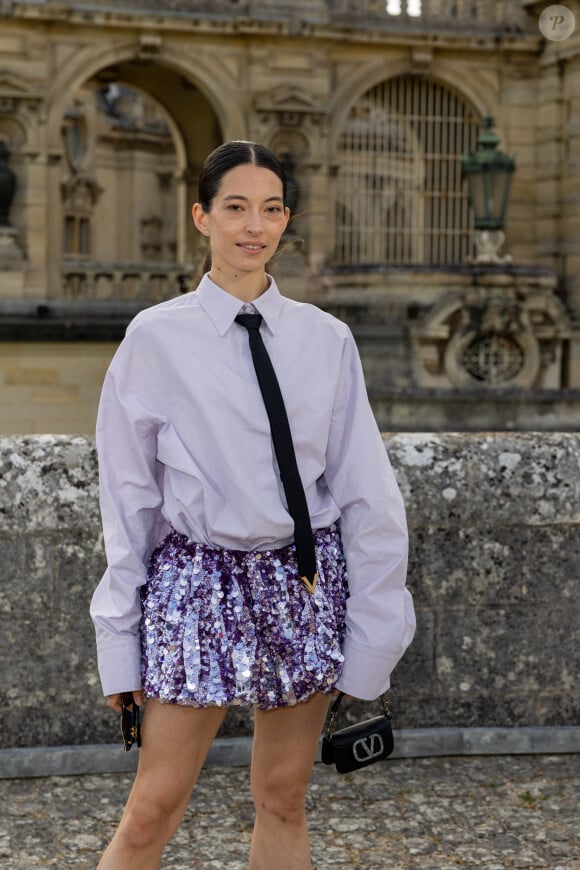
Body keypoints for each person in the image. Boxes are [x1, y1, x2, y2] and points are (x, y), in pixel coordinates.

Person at [90, 140, 416, 870]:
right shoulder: (155, 338)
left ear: (285, 221)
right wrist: (120, 639)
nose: (253, 225)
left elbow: (367, 492)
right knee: (151, 809)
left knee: (283, 798)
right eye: (235, 207)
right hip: (194, 585)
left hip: (300, 580)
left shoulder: (326, 341)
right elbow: (128, 501)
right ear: (202, 217)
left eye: (270, 209)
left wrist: (372, 640)